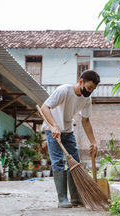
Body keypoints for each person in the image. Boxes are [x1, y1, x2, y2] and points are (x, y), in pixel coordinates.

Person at [41, 70, 100, 208]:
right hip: (53, 131)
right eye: (89, 87)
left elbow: (85, 121)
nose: (90, 91)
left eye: (93, 89)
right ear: (81, 82)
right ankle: (62, 198)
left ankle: (76, 198)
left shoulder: (87, 99)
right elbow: (45, 107)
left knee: (75, 162)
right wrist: (54, 125)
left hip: (67, 131)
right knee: (58, 162)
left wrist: (93, 142)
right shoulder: (64, 90)